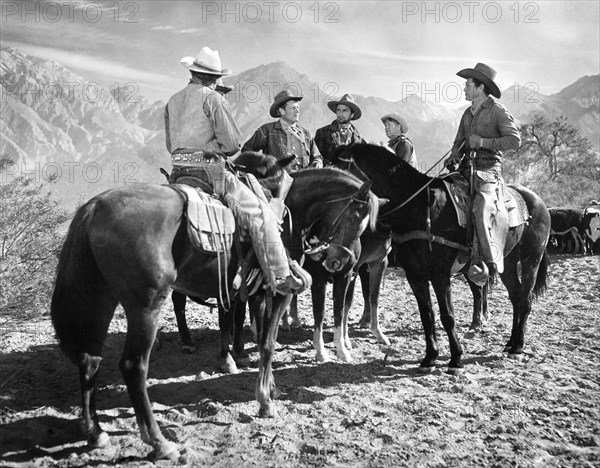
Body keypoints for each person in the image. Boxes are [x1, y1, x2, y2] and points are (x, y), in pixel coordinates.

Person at [165, 47, 309, 296]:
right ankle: (281, 275)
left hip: (178, 172)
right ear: (215, 77)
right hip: (211, 172)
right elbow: (232, 145)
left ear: (194, 73)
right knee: (262, 214)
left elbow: (170, 145)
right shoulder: (213, 99)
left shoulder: (173, 100)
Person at [445, 62, 521, 281]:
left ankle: (487, 263)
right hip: (465, 168)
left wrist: (483, 142)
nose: (464, 88)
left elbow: (514, 141)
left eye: (467, 84)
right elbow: (459, 142)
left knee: (480, 207)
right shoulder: (466, 114)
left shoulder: (498, 111)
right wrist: (454, 156)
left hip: (489, 170)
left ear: (480, 87)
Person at [242, 89, 323, 171]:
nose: (298, 111)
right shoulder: (267, 130)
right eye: (293, 108)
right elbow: (246, 151)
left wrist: (317, 163)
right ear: (282, 111)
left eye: (298, 107)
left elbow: (317, 156)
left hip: (303, 180)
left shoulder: (306, 134)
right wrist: (262, 169)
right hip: (277, 180)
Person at [315, 93, 365, 165]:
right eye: (338, 110)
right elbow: (316, 157)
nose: (340, 114)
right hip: (328, 174)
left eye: (345, 111)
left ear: (352, 114)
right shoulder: (323, 132)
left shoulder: (358, 140)